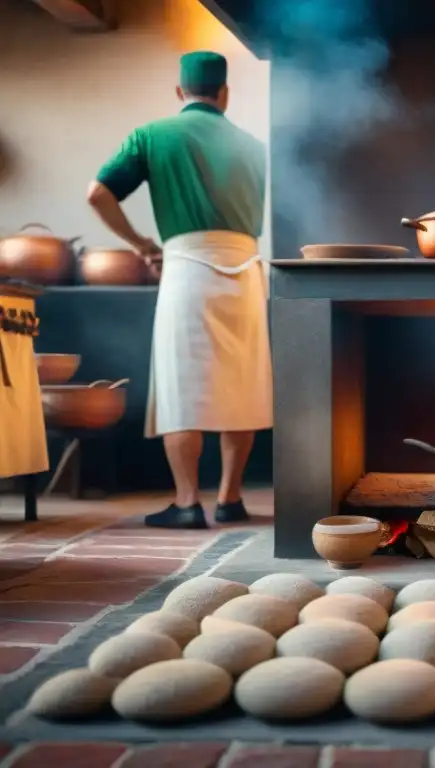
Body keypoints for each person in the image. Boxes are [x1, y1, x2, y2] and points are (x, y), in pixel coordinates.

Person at [86, 51, 272, 529]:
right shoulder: (254, 147)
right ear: (224, 94)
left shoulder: (153, 135)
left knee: (183, 386)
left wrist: (140, 243)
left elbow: (98, 193)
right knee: (242, 385)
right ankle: (231, 497)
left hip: (187, 267)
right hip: (247, 268)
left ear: (179, 92)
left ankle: (188, 501)